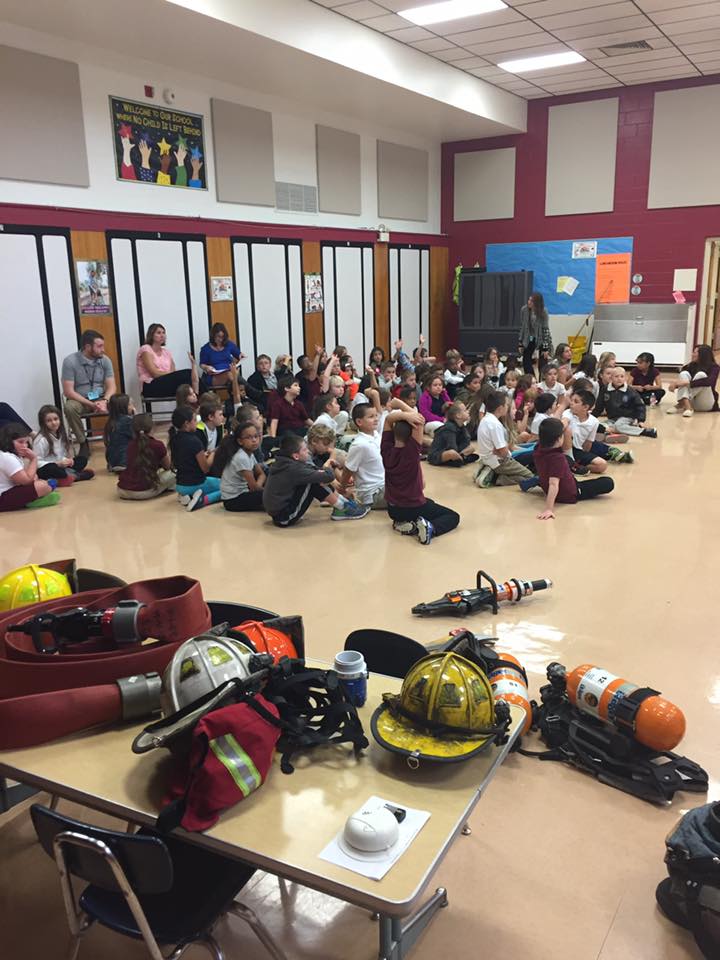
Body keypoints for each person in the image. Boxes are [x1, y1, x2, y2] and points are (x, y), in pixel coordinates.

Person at [381, 409, 459, 545]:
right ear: (413, 435)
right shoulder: (411, 452)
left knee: (431, 502)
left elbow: (388, 419)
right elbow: (419, 419)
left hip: (393, 509)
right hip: (412, 507)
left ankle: (406, 524)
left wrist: (403, 415)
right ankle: (430, 528)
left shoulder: (386, 449)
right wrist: (406, 413)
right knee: (453, 516)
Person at [262, 434, 368, 526]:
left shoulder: (285, 462)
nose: (308, 452)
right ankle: (343, 508)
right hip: (284, 517)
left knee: (315, 477)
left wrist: (325, 470)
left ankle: (345, 504)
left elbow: (315, 471)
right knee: (314, 482)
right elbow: (328, 477)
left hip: (280, 513)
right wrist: (327, 465)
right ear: (296, 456)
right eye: (304, 450)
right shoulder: (293, 469)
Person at [535, 418, 614, 520]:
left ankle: (576, 468)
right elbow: (553, 484)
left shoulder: (538, 449)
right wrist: (549, 509)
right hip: (571, 493)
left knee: (568, 460)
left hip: (557, 484)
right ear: (559, 439)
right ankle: (577, 468)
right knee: (608, 482)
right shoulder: (557, 458)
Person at [61, 329, 117, 459]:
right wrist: (91, 404)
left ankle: (117, 439)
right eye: (99, 346)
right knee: (69, 408)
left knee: (125, 403)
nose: (103, 349)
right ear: (87, 347)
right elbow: (68, 391)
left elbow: (111, 386)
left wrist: (105, 400)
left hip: (102, 399)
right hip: (81, 400)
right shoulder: (70, 361)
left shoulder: (105, 360)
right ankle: (83, 442)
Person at [474, 391, 534, 488]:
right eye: (507, 405)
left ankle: (489, 470)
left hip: (488, 458)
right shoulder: (495, 424)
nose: (508, 407)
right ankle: (496, 478)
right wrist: (505, 449)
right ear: (500, 408)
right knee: (530, 477)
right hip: (500, 462)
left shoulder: (485, 419)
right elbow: (503, 452)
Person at [562, 389, 632, 468]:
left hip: (579, 449)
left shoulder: (594, 421)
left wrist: (587, 456)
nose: (571, 403)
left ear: (585, 407)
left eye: (576, 401)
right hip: (568, 449)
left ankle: (577, 466)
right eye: (571, 400)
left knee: (601, 465)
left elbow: (587, 445)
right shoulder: (568, 413)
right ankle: (572, 465)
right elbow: (563, 423)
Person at [169, 405, 220, 512]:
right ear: (187, 423)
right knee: (228, 487)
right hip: (195, 483)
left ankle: (187, 496)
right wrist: (213, 453)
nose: (197, 422)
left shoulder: (174, 438)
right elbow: (205, 468)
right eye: (194, 419)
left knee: (217, 482)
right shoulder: (194, 441)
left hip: (179, 484)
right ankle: (202, 500)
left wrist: (203, 454)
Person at [0, 423, 59, 511]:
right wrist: (34, 459)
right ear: (8, 441)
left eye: (26, 442)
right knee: (44, 486)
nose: (24, 446)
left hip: (10, 490)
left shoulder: (10, 456)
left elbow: (26, 477)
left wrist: (33, 478)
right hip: (2, 497)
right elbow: (26, 481)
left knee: (40, 481)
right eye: (20, 442)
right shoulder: (7, 457)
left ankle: (31, 499)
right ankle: (30, 502)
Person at [117, 414, 175, 500]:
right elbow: (168, 466)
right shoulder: (158, 445)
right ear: (152, 428)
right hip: (143, 492)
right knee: (175, 473)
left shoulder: (130, 445)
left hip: (122, 490)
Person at [339, 403, 387, 509]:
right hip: (373, 494)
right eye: (371, 417)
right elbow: (348, 469)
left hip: (385, 485)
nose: (375, 419)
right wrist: (342, 489)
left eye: (376, 416)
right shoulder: (359, 444)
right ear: (359, 422)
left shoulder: (377, 436)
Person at [32, 405, 94, 486]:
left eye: (56, 419)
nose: (53, 423)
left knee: (82, 459)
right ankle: (74, 476)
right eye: (49, 421)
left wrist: (68, 461)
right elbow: (37, 462)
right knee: (53, 468)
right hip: (47, 468)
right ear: (43, 423)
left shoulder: (61, 435)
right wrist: (57, 464)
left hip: (61, 466)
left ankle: (68, 476)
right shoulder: (40, 440)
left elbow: (62, 455)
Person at [214, 421, 267, 512]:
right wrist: (265, 491)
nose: (254, 440)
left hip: (244, 492)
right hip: (233, 500)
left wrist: (260, 487)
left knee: (270, 479)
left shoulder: (250, 453)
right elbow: (253, 488)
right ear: (240, 441)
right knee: (272, 495)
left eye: (256, 436)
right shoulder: (241, 457)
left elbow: (261, 474)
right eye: (249, 437)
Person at [136, 323, 199, 399]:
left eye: (163, 333)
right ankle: (199, 402)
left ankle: (198, 400)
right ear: (151, 335)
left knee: (191, 378)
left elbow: (173, 371)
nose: (162, 335)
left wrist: (171, 374)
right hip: (150, 386)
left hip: (166, 383)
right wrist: (170, 374)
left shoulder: (166, 352)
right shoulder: (145, 349)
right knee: (187, 373)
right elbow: (154, 373)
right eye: (158, 333)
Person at [601, 368, 657, 438]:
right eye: (616, 376)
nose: (619, 379)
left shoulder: (630, 391)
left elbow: (640, 406)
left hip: (628, 417)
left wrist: (641, 420)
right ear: (611, 378)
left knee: (619, 425)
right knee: (600, 425)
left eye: (622, 376)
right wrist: (591, 417)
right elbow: (599, 405)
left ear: (625, 378)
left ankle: (644, 431)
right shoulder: (605, 390)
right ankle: (615, 431)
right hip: (613, 418)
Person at [666, 344, 719, 416]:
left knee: (701, 375)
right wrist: (675, 384)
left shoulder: (714, 367)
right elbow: (682, 382)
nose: (692, 354)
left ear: (702, 354)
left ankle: (680, 404)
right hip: (692, 402)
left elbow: (709, 382)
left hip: (706, 403)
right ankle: (687, 406)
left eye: (695, 352)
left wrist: (687, 383)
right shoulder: (690, 366)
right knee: (684, 374)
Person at [428, 402, 478, 467]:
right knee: (452, 453)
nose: (468, 412)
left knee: (471, 448)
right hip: (438, 454)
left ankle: (459, 459)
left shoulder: (461, 426)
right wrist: (461, 452)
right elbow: (451, 447)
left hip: (455, 450)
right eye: (465, 410)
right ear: (458, 415)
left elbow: (466, 442)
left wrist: (463, 449)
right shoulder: (449, 427)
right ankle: (460, 459)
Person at [199, 323, 244, 388]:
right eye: (218, 336)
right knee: (232, 376)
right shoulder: (206, 349)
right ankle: (253, 392)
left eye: (222, 337)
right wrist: (206, 367)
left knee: (232, 376)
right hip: (214, 376)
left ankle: (248, 392)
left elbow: (239, 354)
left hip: (230, 372)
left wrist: (241, 356)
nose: (220, 339)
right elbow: (202, 364)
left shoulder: (229, 344)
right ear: (213, 335)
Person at [518, 292, 551, 375]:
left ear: (537, 303)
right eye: (529, 300)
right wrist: (520, 343)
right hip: (529, 337)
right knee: (526, 360)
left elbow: (545, 329)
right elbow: (522, 327)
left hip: (541, 338)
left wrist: (545, 348)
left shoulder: (543, 311)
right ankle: (531, 380)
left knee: (543, 362)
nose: (529, 302)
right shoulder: (524, 310)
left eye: (532, 301)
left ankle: (543, 381)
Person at [103, 394, 135, 472]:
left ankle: (115, 464)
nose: (133, 407)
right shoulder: (128, 421)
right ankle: (124, 464)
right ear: (124, 407)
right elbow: (138, 437)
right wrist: (135, 417)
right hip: (125, 459)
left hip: (112, 460)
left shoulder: (110, 422)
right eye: (131, 404)